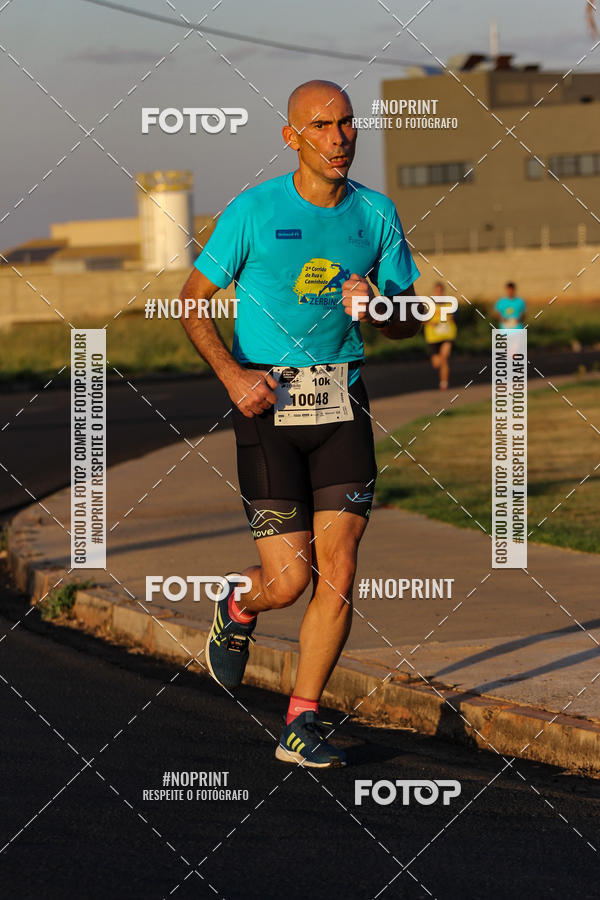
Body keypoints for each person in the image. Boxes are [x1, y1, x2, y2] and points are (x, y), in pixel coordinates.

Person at [178, 79, 420, 767]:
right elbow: (192, 301)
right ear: (292, 138)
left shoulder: (376, 214)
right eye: (322, 126)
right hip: (269, 407)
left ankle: (301, 721)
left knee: (339, 570)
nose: (340, 137)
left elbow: (411, 322)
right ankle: (238, 606)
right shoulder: (253, 213)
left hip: (342, 403)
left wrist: (378, 310)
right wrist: (231, 375)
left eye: (347, 124)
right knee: (288, 581)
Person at [424, 281, 457, 389]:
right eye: (437, 291)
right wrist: (431, 322)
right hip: (433, 337)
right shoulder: (429, 305)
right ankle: (442, 379)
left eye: (440, 291)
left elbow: (455, 318)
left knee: (444, 358)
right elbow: (422, 320)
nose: (439, 293)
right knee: (437, 363)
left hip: (447, 335)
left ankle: (444, 383)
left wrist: (452, 318)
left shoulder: (449, 304)